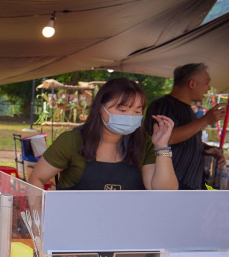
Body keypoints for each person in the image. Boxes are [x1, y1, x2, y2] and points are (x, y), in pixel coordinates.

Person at [28, 78, 178, 191]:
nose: (130, 116)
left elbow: (164, 193)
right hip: (76, 225)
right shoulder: (72, 141)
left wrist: (162, 147)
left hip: (128, 226)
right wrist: (40, 223)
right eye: (123, 110)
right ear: (101, 108)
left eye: (137, 111)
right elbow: (37, 178)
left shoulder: (145, 143)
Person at [144, 63, 226, 190]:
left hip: (191, 186)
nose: (209, 88)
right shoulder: (164, 105)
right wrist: (204, 120)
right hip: (170, 186)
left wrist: (209, 149)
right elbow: (164, 139)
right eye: (206, 83)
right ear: (192, 83)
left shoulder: (188, 110)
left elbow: (186, 140)